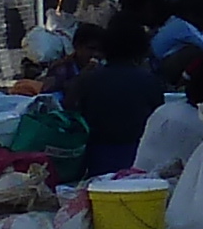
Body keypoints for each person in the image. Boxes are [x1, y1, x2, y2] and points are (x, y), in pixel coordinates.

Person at [70, 17, 168, 178]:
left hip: (97, 160)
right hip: (140, 160)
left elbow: (74, 113)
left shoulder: (88, 80)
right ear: (142, 49)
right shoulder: (149, 81)